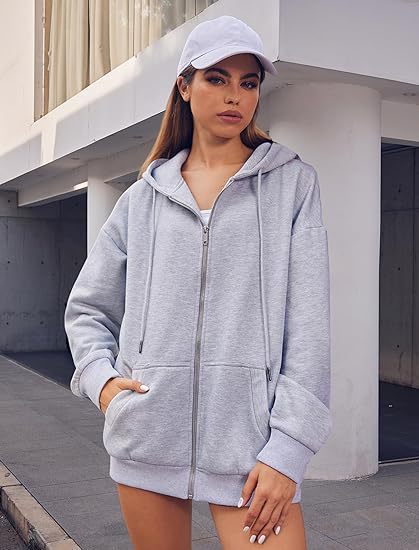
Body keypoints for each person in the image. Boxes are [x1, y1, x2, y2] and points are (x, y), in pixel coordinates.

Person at [64, 14, 332, 550]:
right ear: (184, 86)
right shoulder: (142, 200)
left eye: (248, 83)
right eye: (217, 78)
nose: (235, 95)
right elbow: (87, 308)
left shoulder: (292, 186)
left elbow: (309, 329)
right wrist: (103, 384)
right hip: (147, 440)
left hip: (252, 453)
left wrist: (289, 450)